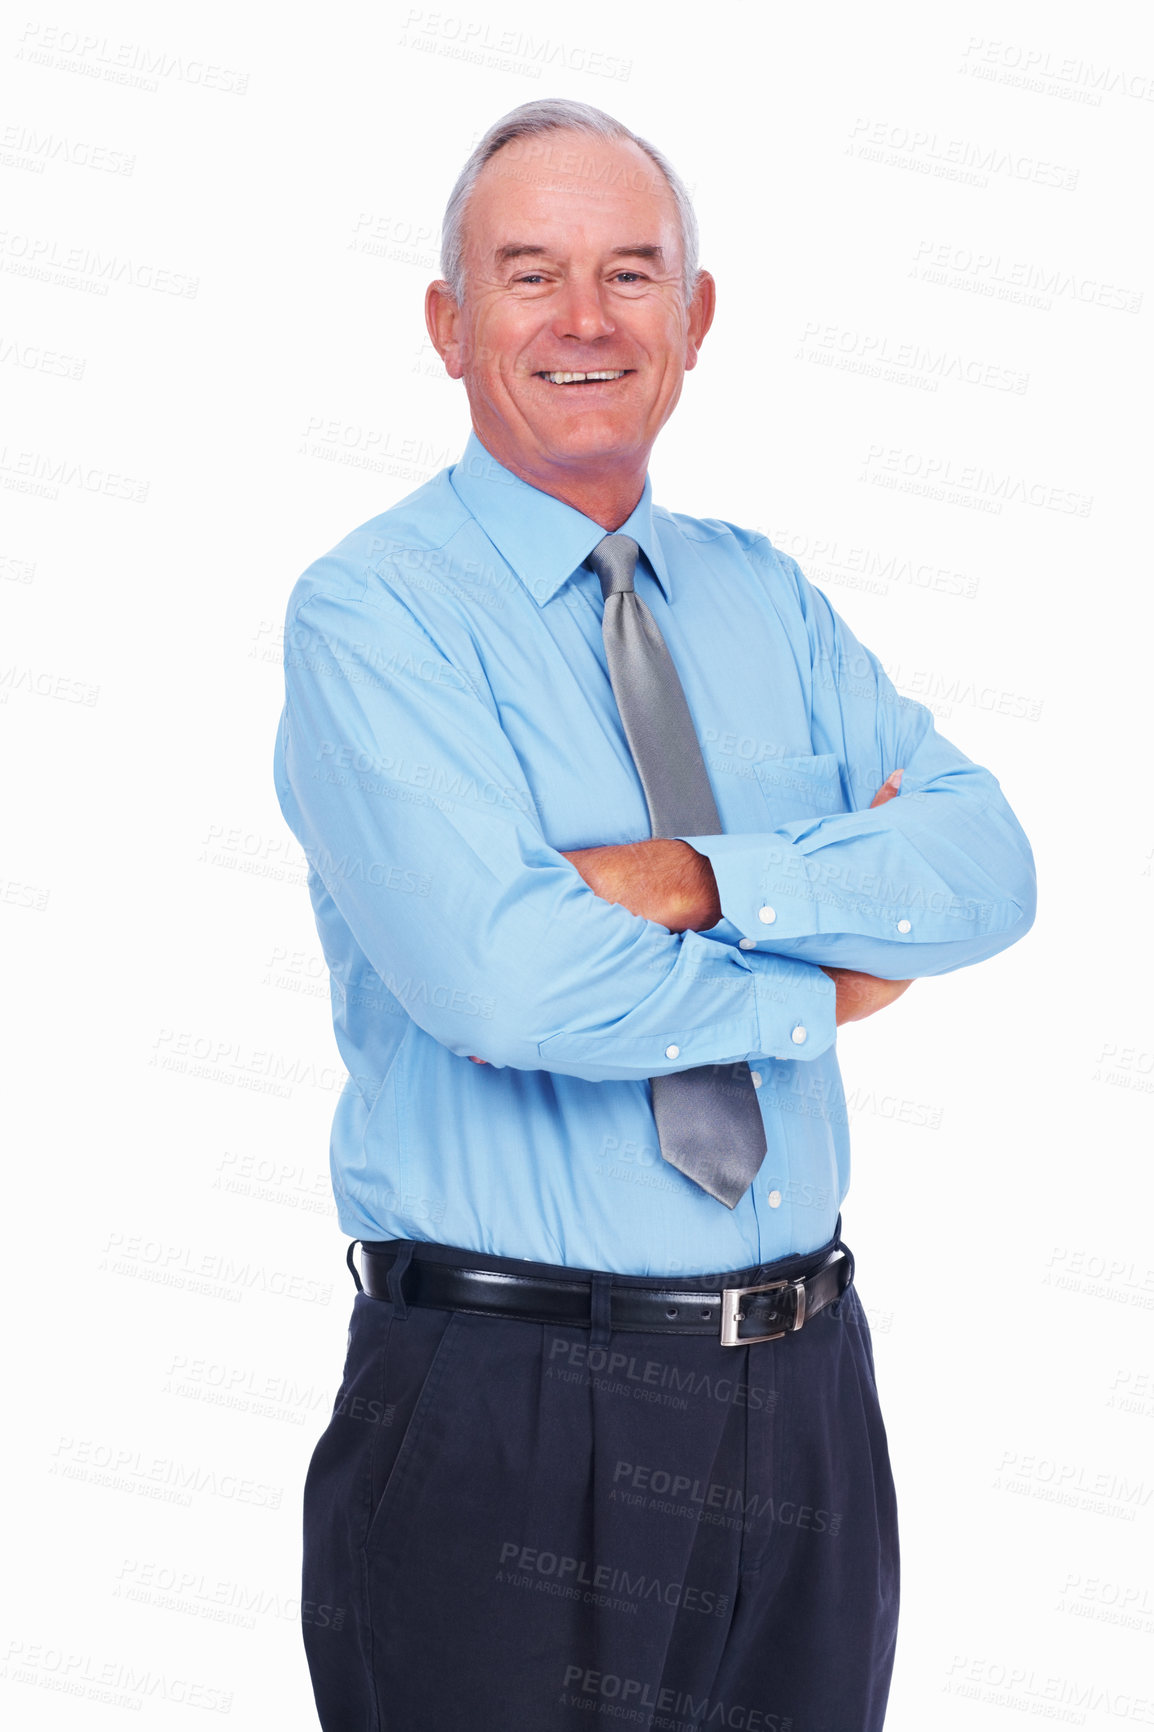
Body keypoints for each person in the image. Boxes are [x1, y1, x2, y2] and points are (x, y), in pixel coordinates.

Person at [274, 98, 1035, 1732]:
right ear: (447, 323)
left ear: (691, 320)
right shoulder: (373, 615)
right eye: (528, 274)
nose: (583, 321)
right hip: (506, 1405)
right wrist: (824, 977)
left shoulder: (767, 598)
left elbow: (982, 866)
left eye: (631, 274)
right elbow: (506, 983)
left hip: (806, 1392)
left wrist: (699, 878)